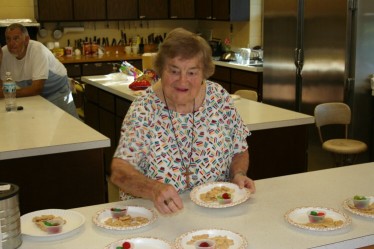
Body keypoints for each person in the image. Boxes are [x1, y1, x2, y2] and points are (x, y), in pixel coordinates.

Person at [110, 27, 256, 215]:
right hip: (158, 215)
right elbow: (120, 172)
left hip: (215, 211)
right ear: (161, 70)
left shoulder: (219, 98)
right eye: (174, 71)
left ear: (204, 73)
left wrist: (238, 174)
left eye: (192, 72)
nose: (182, 81)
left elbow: (239, 149)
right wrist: (153, 188)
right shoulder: (144, 109)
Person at [0, 23, 78, 118]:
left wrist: (9, 93)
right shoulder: (4, 54)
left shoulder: (37, 50)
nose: (11, 43)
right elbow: (3, 86)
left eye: (16, 38)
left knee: (69, 126)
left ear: (26, 40)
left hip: (57, 92)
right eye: (8, 39)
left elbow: (36, 88)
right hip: (35, 96)